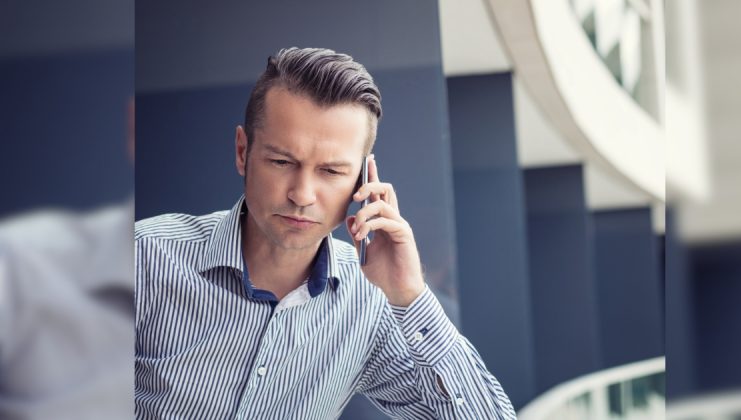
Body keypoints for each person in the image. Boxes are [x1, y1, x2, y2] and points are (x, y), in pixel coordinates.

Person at [134, 47, 515, 419]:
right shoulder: (143, 260)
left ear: (363, 180)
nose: (301, 194)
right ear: (242, 152)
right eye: (282, 161)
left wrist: (410, 296)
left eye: (331, 172)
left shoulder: (371, 303)